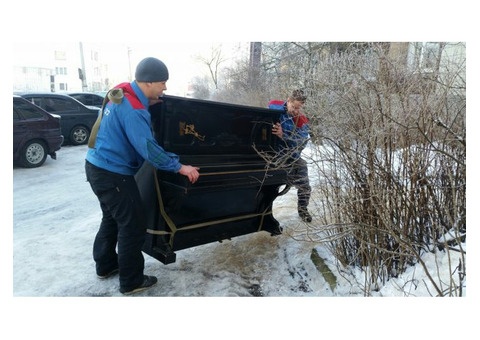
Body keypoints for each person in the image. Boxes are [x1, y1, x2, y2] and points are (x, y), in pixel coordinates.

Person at [85, 57, 200, 295]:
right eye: (162, 83)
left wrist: (149, 105)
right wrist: (180, 167)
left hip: (96, 166)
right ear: (148, 83)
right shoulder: (134, 109)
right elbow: (148, 149)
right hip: (112, 173)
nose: (165, 88)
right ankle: (131, 281)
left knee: (112, 218)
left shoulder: (121, 92)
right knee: (133, 225)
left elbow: (129, 117)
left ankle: (105, 265)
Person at [269, 90, 312, 223]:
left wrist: (284, 135)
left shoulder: (302, 120)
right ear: (288, 100)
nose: (295, 111)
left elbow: (301, 142)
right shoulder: (273, 111)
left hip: (292, 158)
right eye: (294, 107)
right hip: (272, 157)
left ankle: (303, 210)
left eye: (299, 108)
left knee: (305, 185)